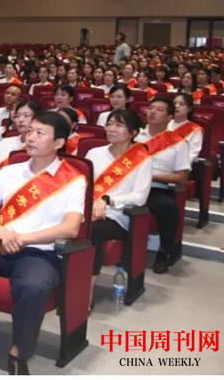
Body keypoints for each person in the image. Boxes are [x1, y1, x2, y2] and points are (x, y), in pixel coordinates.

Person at [0, 111, 86, 375]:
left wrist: (21, 238)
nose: (30, 137)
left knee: (34, 286)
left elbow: (71, 228)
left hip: (38, 253)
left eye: (40, 133)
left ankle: (19, 352)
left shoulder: (74, 179)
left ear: (59, 143)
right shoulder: (10, 171)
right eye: (30, 131)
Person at [85, 109, 152, 307]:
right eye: (109, 124)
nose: (111, 129)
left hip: (118, 216)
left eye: (119, 125)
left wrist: (108, 199)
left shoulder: (143, 159)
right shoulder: (94, 153)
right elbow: (83, 186)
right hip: (88, 210)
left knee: (92, 231)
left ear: (133, 132)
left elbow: (140, 197)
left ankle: (86, 293)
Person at [136, 97, 191, 274]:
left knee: (168, 208)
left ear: (169, 117)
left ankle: (163, 253)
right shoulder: (134, 136)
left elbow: (182, 177)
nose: (152, 112)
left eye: (159, 109)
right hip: (129, 186)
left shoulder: (178, 142)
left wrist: (151, 176)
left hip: (155, 188)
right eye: (151, 108)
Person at [0, 100, 39, 171]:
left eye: (26, 116)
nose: (20, 120)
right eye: (17, 116)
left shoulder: (42, 146)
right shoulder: (5, 143)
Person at [167, 93, 203, 164]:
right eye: (174, 103)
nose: (176, 106)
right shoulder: (164, 124)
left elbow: (192, 154)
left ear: (189, 109)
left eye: (181, 104)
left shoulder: (195, 130)